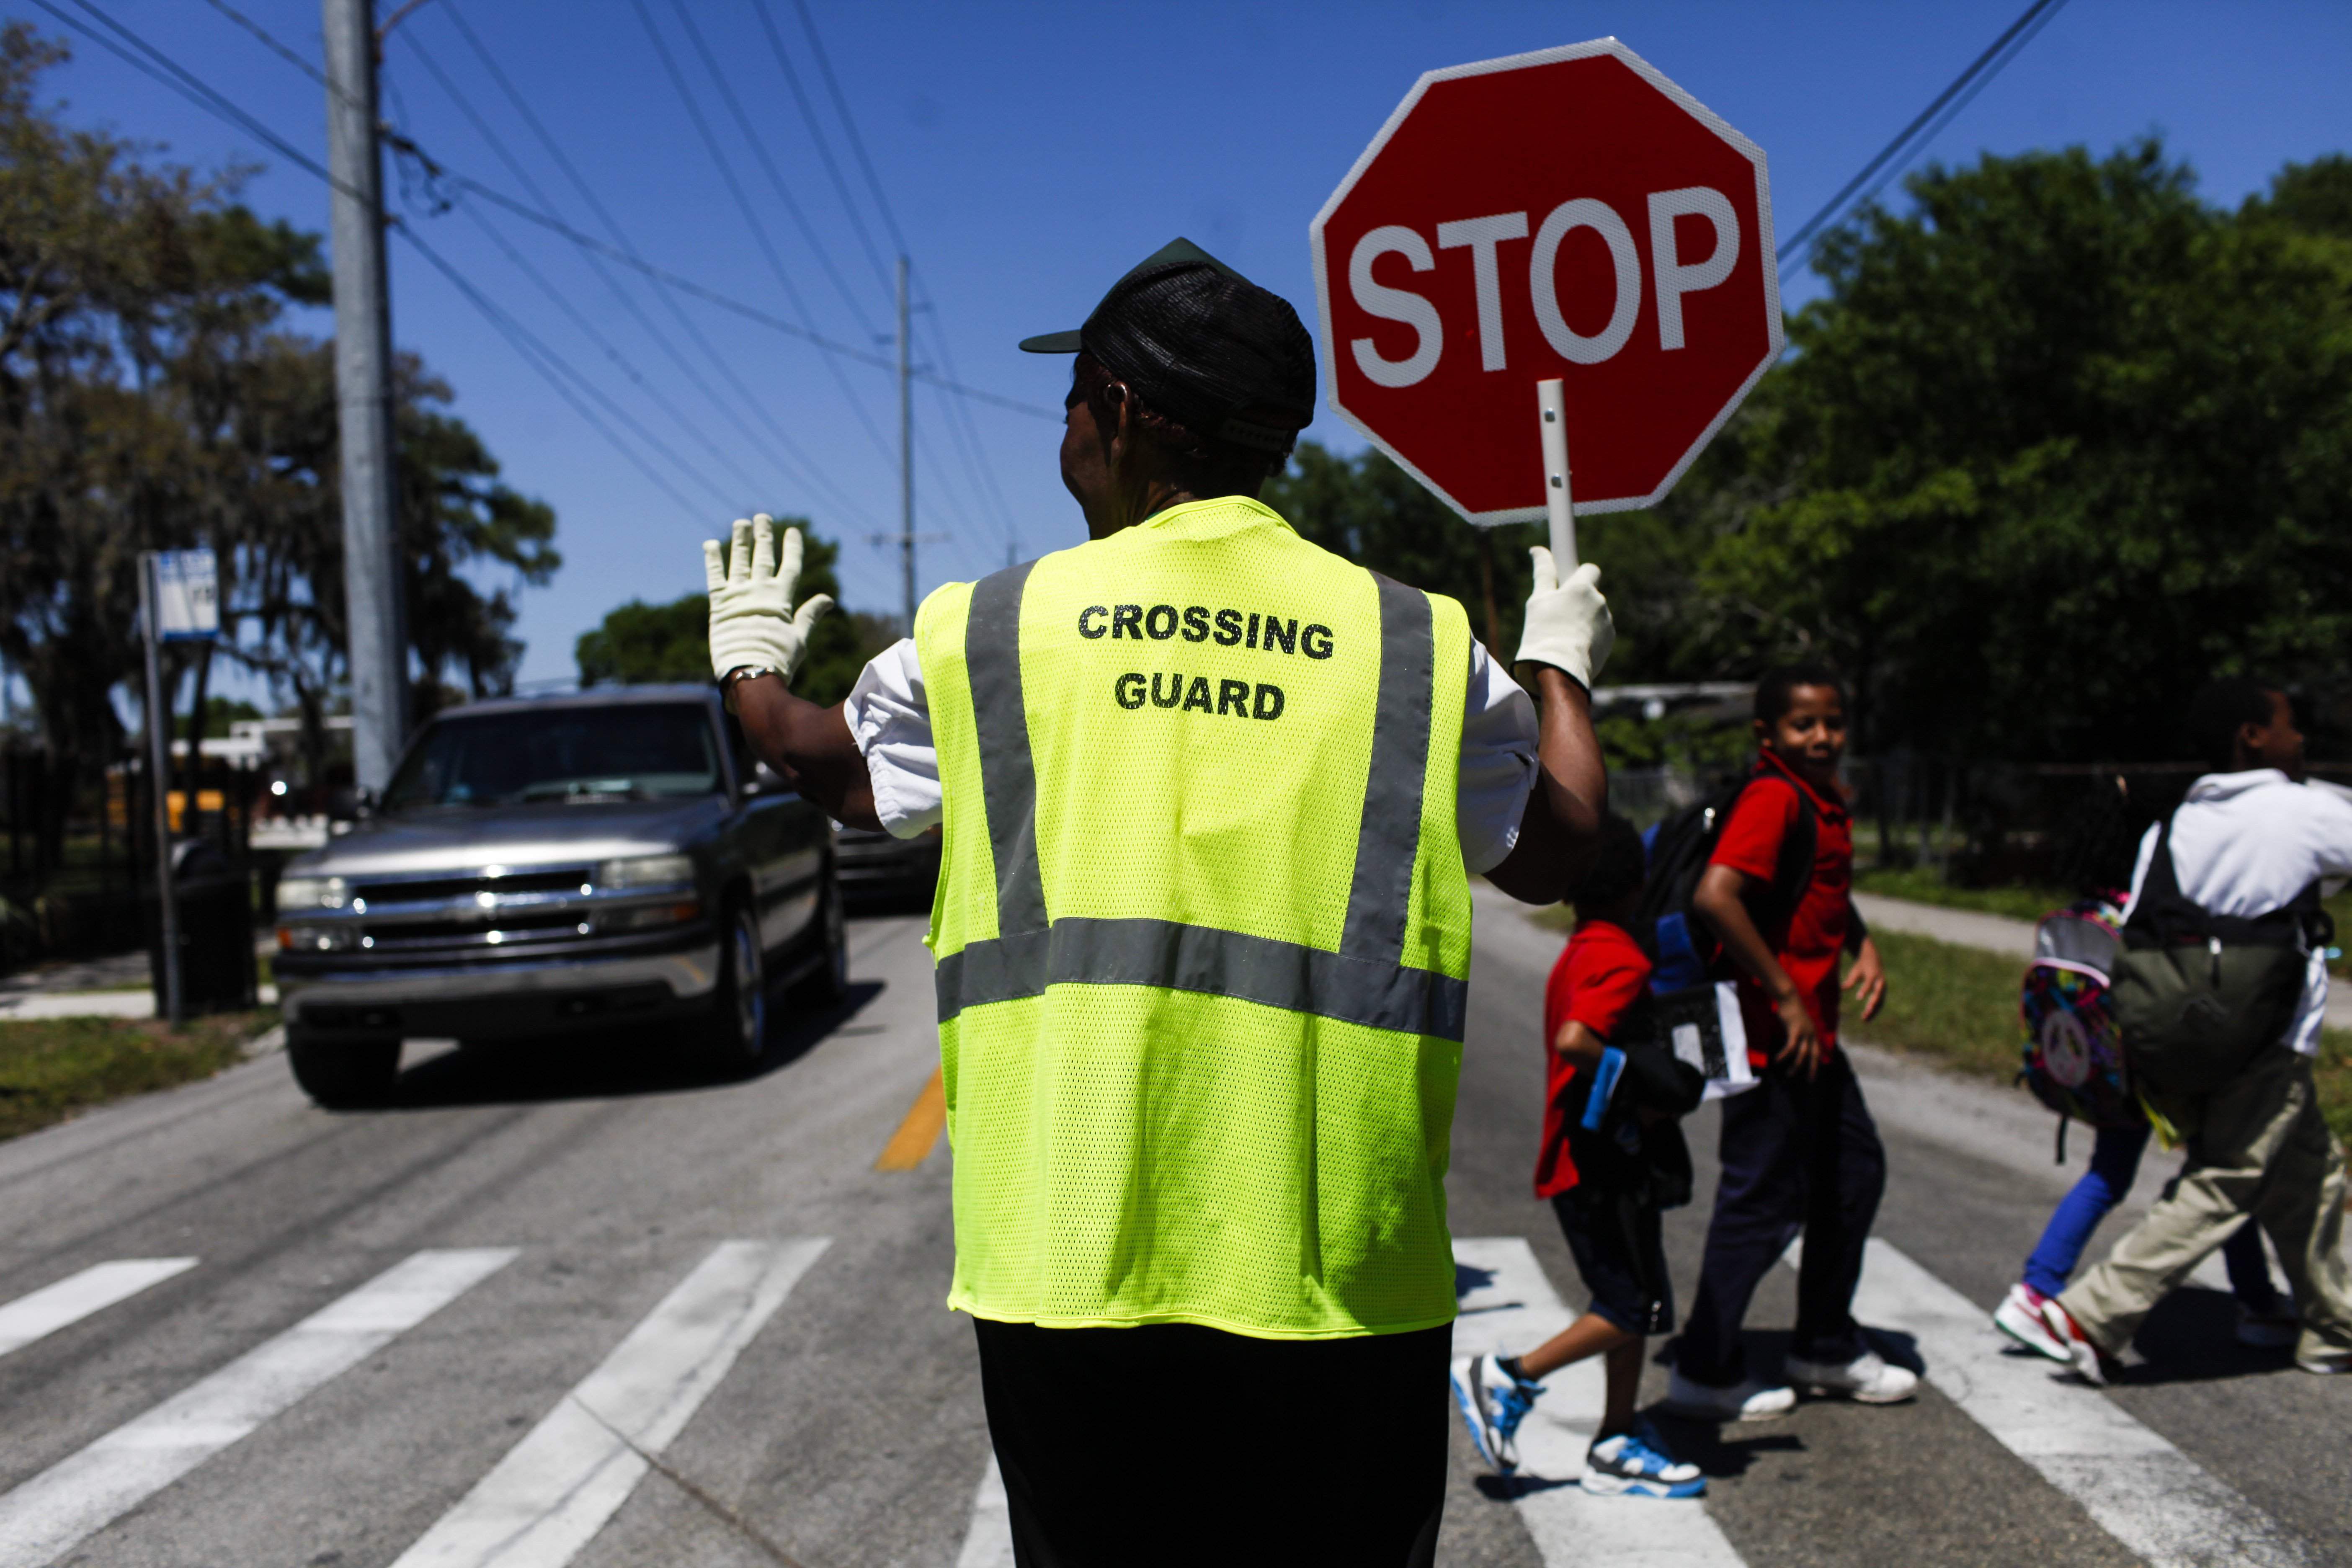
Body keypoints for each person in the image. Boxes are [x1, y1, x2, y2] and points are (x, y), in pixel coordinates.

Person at [701, 237, 1616, 1565]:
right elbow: (1560, 848)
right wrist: (1560, 667)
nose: (1065, 435)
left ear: (1122, 414)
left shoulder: (992, 630)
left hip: (1073, 1266)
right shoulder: (1411, 643)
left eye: (1073, 403)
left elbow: (816, 761)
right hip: (1340, 1282)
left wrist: (747, 662)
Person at [2040, 678, 2352, 1382]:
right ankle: (2094, 1312)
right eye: (2289, 725)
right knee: (2231, 1177)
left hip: (2171, 1032)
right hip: (2263, 1034)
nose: (2300, 738)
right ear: (2253, 736)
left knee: (2309, 1172)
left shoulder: (2176, 822)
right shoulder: (2298, 811)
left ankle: (2335, 1328)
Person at [1665, 665, 1916, 1420]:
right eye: (1804, 725)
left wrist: (1859, 941)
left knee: (1853, 1173)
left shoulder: (1818, 800)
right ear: (1767, 736)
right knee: (1762, 1200)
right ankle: (1706, 1368)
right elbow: (1718, 896)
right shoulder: (1774, 796)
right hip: (1772, 1035)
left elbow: (1814, 886)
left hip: (1809, 1035)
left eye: (1833, 723)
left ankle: (1825, 1345)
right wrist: (1784, 994)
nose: (1823, 737)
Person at [1452, 814, 1707, 1498]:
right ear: (1640, 885)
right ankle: (1509, 1376)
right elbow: (1576, 1040)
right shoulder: (1619, 957)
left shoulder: (1583, 948)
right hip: (1597, 1164)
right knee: (1628, 1308)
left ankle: (1616, 1438)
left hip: (1603, 1158)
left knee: (1635, 1299)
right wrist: (1647, 1075)